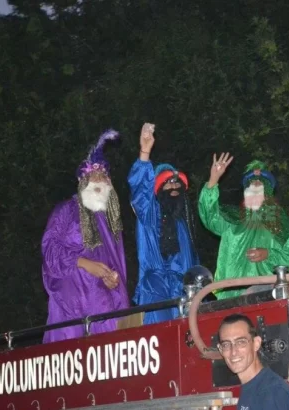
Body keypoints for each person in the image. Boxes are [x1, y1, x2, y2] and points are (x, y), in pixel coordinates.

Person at [41, 129, 130, 343]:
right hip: (70, 310)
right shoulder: (65, 211)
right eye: (94, 177)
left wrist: (113, 279)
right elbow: (49, 251)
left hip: (102, 311)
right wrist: (82, 263)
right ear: (83, 182)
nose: (100, 181)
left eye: (104, 177)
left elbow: (115, 266)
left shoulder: (109, 224)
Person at [198, 153, 289, 299]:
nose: (253, 193)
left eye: (258, 189)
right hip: (230, 297)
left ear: (267, 195)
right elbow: (209, 215)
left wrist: (268, 254)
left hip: (266, 296)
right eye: (249, 189)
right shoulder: (232, 220)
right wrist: (213, 179)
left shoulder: (280, 223)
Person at [128, 123, 200, 324]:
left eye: (178, 184)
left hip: (183, 291)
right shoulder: (149, 213)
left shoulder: (183, 226)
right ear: (158, 189)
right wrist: (145, 152)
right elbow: (141, 191)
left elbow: (193, 264)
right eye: (168, 183)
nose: (174, 186)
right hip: (155, 289)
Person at [216, 314, 289, 410]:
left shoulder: (270, 391)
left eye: (241, 342)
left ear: (256, 344)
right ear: (221, 350)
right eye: (226, 345)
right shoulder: (253, 388)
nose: (233, 352)